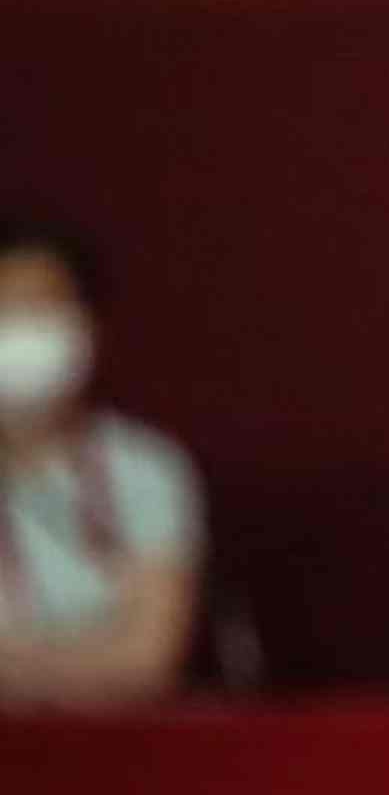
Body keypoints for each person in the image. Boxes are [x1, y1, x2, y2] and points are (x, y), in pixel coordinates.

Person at [0, 221, 204, 709]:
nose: (21, 330)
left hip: (113, 743)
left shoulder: (146, 469)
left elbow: (147, 661)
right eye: (6, 312)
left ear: (86, 326)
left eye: (40, 309)